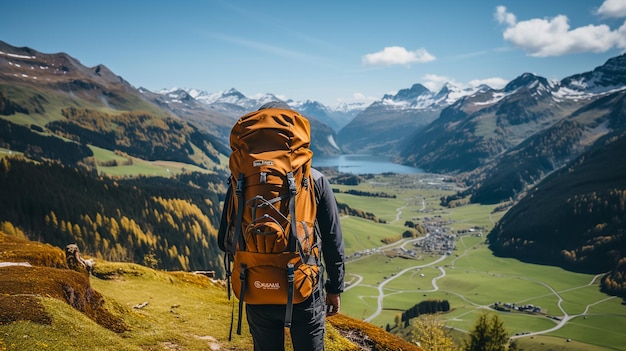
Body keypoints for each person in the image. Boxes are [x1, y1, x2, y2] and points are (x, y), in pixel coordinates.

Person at [244, 102, 345, 351]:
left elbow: (225, 238)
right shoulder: (315, 179)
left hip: (256, 283)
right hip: (303, 284)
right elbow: (332, 238)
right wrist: (334, 288)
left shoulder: (242, 179)